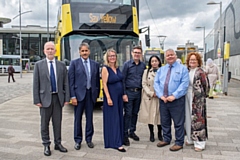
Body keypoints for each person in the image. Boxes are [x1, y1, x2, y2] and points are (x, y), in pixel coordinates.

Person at [33, 41, 70, 156]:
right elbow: (36, 84)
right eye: (48, 49)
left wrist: (66, 97)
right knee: (44, 124)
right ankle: (46, 145)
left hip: (58, 99)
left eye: (52, 49)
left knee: (57, 123)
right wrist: (37, 100)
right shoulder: (38, 65)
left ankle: (58, 143)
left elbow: (66, 83)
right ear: (44, 51)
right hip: (44, 100)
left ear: (55, 51)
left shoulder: (61, 65)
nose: (50, 51)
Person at [154, 49, 189, 152]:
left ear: (175, 55)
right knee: (165, 121)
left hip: (176, 101)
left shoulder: (183, 69)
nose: (170, 57)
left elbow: (184, 84)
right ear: (165, 57)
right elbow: (156, 83)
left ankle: (179, 142)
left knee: (178, 122)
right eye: (168, 55)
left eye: (171, 55)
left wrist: (174, 95)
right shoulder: (161, 70)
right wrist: (161, 95)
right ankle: (166, 139)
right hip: (163, 100)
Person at [68, 42, 100, 150]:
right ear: (79, 52)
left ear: (89, 51)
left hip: (90, 95)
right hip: (78, 95)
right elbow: (71, 82)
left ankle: (89, 139)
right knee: (78, 119)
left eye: (86, 51)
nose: (85, 53)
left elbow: (97, 82)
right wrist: (72, 96)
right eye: (83, 51)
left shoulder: (95, 64)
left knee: (89, 118)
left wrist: (96, 95)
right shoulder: (74, 63)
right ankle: (77, 140)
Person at [101, 49, 126, 152]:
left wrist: (124, 94)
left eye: (114, 56)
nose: (112, 57)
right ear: (107, 57)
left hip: (119, 97)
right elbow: (104, 84)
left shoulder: (117, 68)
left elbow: (121, 81)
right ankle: (116, 143)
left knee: (119, 117)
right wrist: (108, 98)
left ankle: (119, 138)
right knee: (113, 119)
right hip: (111, 97)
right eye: (110, 56)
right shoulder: (105, 69)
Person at [122, 46, 146, 146]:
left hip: (138, 92)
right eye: (135, 52)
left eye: (139, 53)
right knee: (128, 113)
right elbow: (122, 80)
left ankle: (132, 131)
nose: (137, 54)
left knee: (135, 113)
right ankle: (124, 134)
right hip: (129, 92)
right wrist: (124, 94)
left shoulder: (143, 66)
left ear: (141, 54)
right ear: (132, 53)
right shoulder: (126, 65)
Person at [185, 52, 209, 152]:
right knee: (188, 118)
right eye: (191, 60)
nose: (192, 61)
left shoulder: (201, 72)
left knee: (198, 119)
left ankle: (200, 142)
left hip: (197, 99)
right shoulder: (187, 71)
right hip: (187, 96)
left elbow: (206, 86)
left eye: (194, 60)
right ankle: (190, 138)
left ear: (198, 61)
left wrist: (202, 97)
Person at [138, 55, 163, 142]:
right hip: (150, 97)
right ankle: (151, 133)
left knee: (159, 116)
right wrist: (151, 93)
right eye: (152, 61)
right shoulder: (146, 71)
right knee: (150, 116)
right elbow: (144, 84)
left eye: (156, 61)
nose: (154, 63)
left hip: (160, 97)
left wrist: (159, 93)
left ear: (159, 62)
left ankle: (160, 133)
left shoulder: (162, 71)